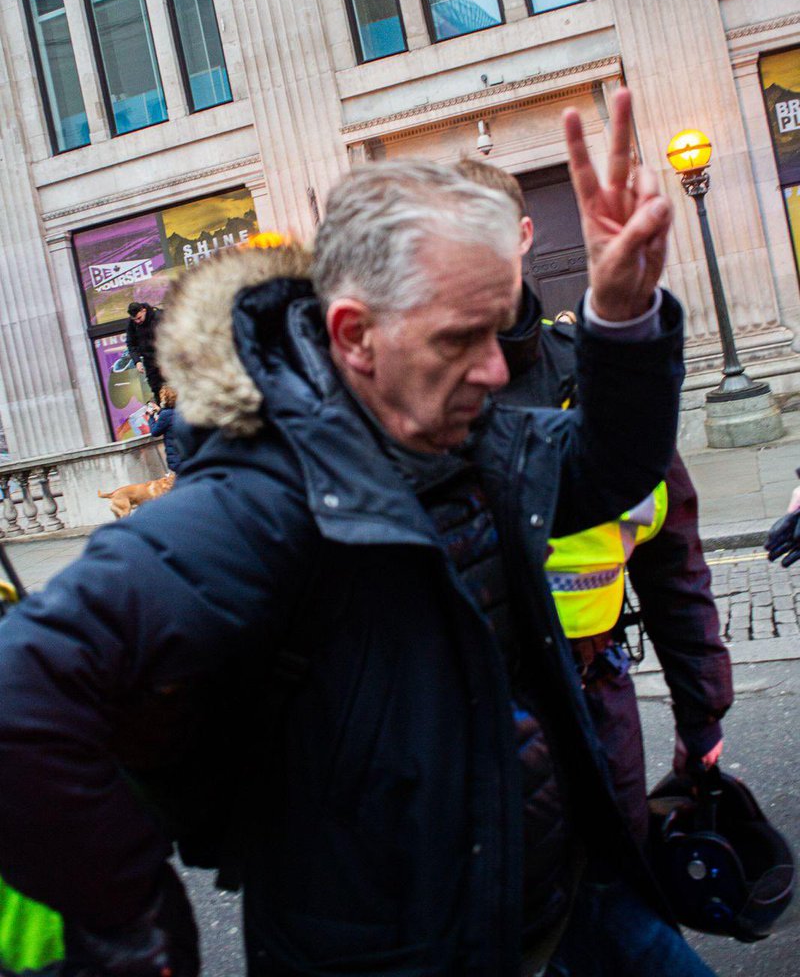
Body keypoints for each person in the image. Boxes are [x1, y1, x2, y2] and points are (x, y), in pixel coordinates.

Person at [0, 93, 711, 976]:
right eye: (463, 338)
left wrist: (624, 318)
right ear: (356, 337)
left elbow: (608, 467)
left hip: (573, 905)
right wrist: (135, 934)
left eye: (499, 331)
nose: (497, 369)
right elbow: (19, 693)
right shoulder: (252, 505)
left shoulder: (465, 432)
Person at [456, 156, 733, 844]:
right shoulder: (417, 395)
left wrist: (701, 715)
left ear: (524, 234)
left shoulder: (590, 373)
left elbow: (674, 561)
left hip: (596, 698)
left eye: (485, 232)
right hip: (473, 725)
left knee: (622, 877)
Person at [125, 302, 164, 403]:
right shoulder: (132, 324)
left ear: (144, 311)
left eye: (139, 318)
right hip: (149, 360)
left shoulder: (158, 316)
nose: (137, 321)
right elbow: (131, 344)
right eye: (135, 319)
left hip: (165, 357)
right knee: (156, 388)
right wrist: (137, 361)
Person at [148, 387, 183, 474]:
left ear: (165, 399)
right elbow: (170, 418)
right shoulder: (182, 410)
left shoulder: (165, 414)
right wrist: (160, 411)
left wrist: (151, 417)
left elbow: (155, 432)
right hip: (186, 454)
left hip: (176, 456)